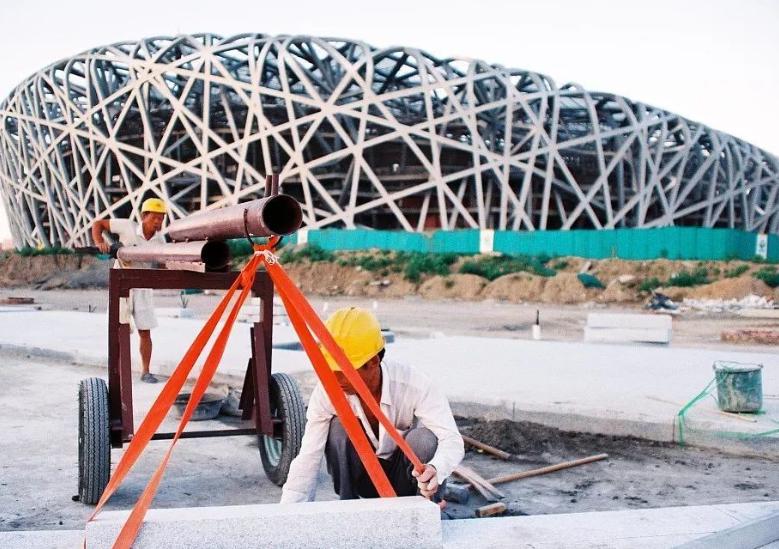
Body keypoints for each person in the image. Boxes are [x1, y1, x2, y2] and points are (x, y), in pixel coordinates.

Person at [280, 307, 464, 503]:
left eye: (343, 370)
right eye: (330, 369)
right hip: (364, 481)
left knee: (424, 439)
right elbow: (308, 456)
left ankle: (425, 510)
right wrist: (291, 511)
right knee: (339, 429)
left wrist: (436, 469)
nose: (335, 379)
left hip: (408, 481)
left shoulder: (415, 384)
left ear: (373, 362)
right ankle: (349, 506)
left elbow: (452, 440)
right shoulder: (327, 392)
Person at [91, 198, 166, 383]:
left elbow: (164, 264)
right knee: (119, 328)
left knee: (145, 331)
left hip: (143, 285)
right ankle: (117, 371)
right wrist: (99, 241)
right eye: (154, 218)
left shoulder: (160, 240)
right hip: (121, 281)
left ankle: (146, 371)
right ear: (143, 216)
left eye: (161, 218)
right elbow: (98, 224)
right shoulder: (127, 227)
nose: (158, 222)